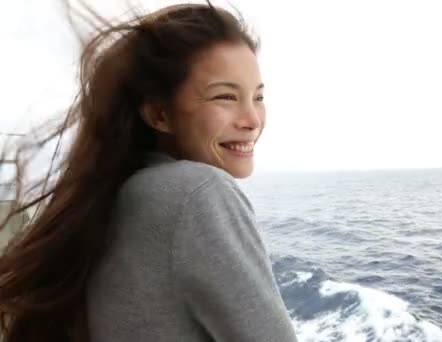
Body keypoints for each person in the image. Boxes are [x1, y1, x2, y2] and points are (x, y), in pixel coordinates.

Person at [0, 2, 299, 341]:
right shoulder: (198, 192)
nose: (252, 120)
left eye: (258, 97)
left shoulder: (115, 194)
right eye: (225, 97)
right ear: (160, 114)